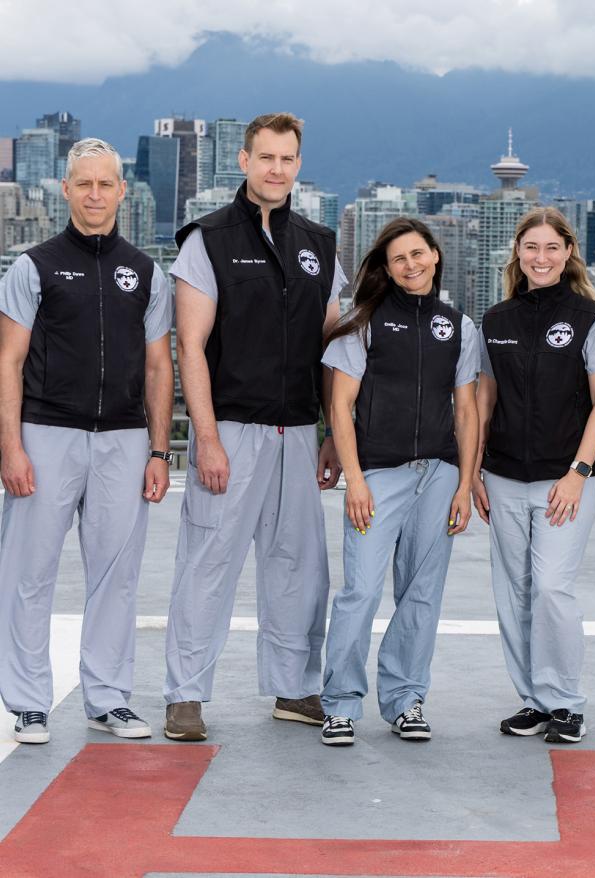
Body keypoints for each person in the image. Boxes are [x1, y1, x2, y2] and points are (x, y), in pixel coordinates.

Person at [163, 112, 347, 741]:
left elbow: (332, 344)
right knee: (209, 558)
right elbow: (190, 346)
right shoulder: (207, 239)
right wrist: (206, 438)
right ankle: (185, 695)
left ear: (299, 164)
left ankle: (295, 690)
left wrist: (331, 432)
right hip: (232, 428)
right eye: (265, 157)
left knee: (300, 564)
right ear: (242, 161)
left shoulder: (320, 242)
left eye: (287, 159)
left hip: (296, 429)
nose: (276, 169)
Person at [0, 138, 174, 744]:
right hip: (45, 435)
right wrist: (11, 447)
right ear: (66, 190)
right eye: (84, 184)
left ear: (122, 191)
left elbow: (159, 366)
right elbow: (9, 360)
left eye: (106, 183)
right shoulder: (33, 266)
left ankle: (108, 697)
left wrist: (158, 449)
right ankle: (27, 702)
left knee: (116, 574)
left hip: (125, 440)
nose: (95, 194)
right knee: (28, 572)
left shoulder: (146, 272)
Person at [319, 217, 479, 746]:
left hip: (439, 475)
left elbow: (466, 412)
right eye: (399, 259)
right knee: (360, 591)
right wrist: (356, 481)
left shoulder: (458, 327)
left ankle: (406, 700)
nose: (411, 265)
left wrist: (464, 483)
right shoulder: (364, 322)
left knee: (422, 594)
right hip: (378, 476)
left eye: (418, 254)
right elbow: (340, 406)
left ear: (435, 254)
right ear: (386, 270)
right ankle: (340, 704)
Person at [473, 207, 595, 744]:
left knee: (553, 588)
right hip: (505, 476)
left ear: (567, 253)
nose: (541, 257)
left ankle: (566, 703)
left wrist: (580, 472)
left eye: (551, 248)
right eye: (531, 247)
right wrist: (474, 474)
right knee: (514, 592)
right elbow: (484, 404)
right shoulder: (496, 320)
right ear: (518, 253)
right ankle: (534, 700)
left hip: (566, 479)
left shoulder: (592, 318)